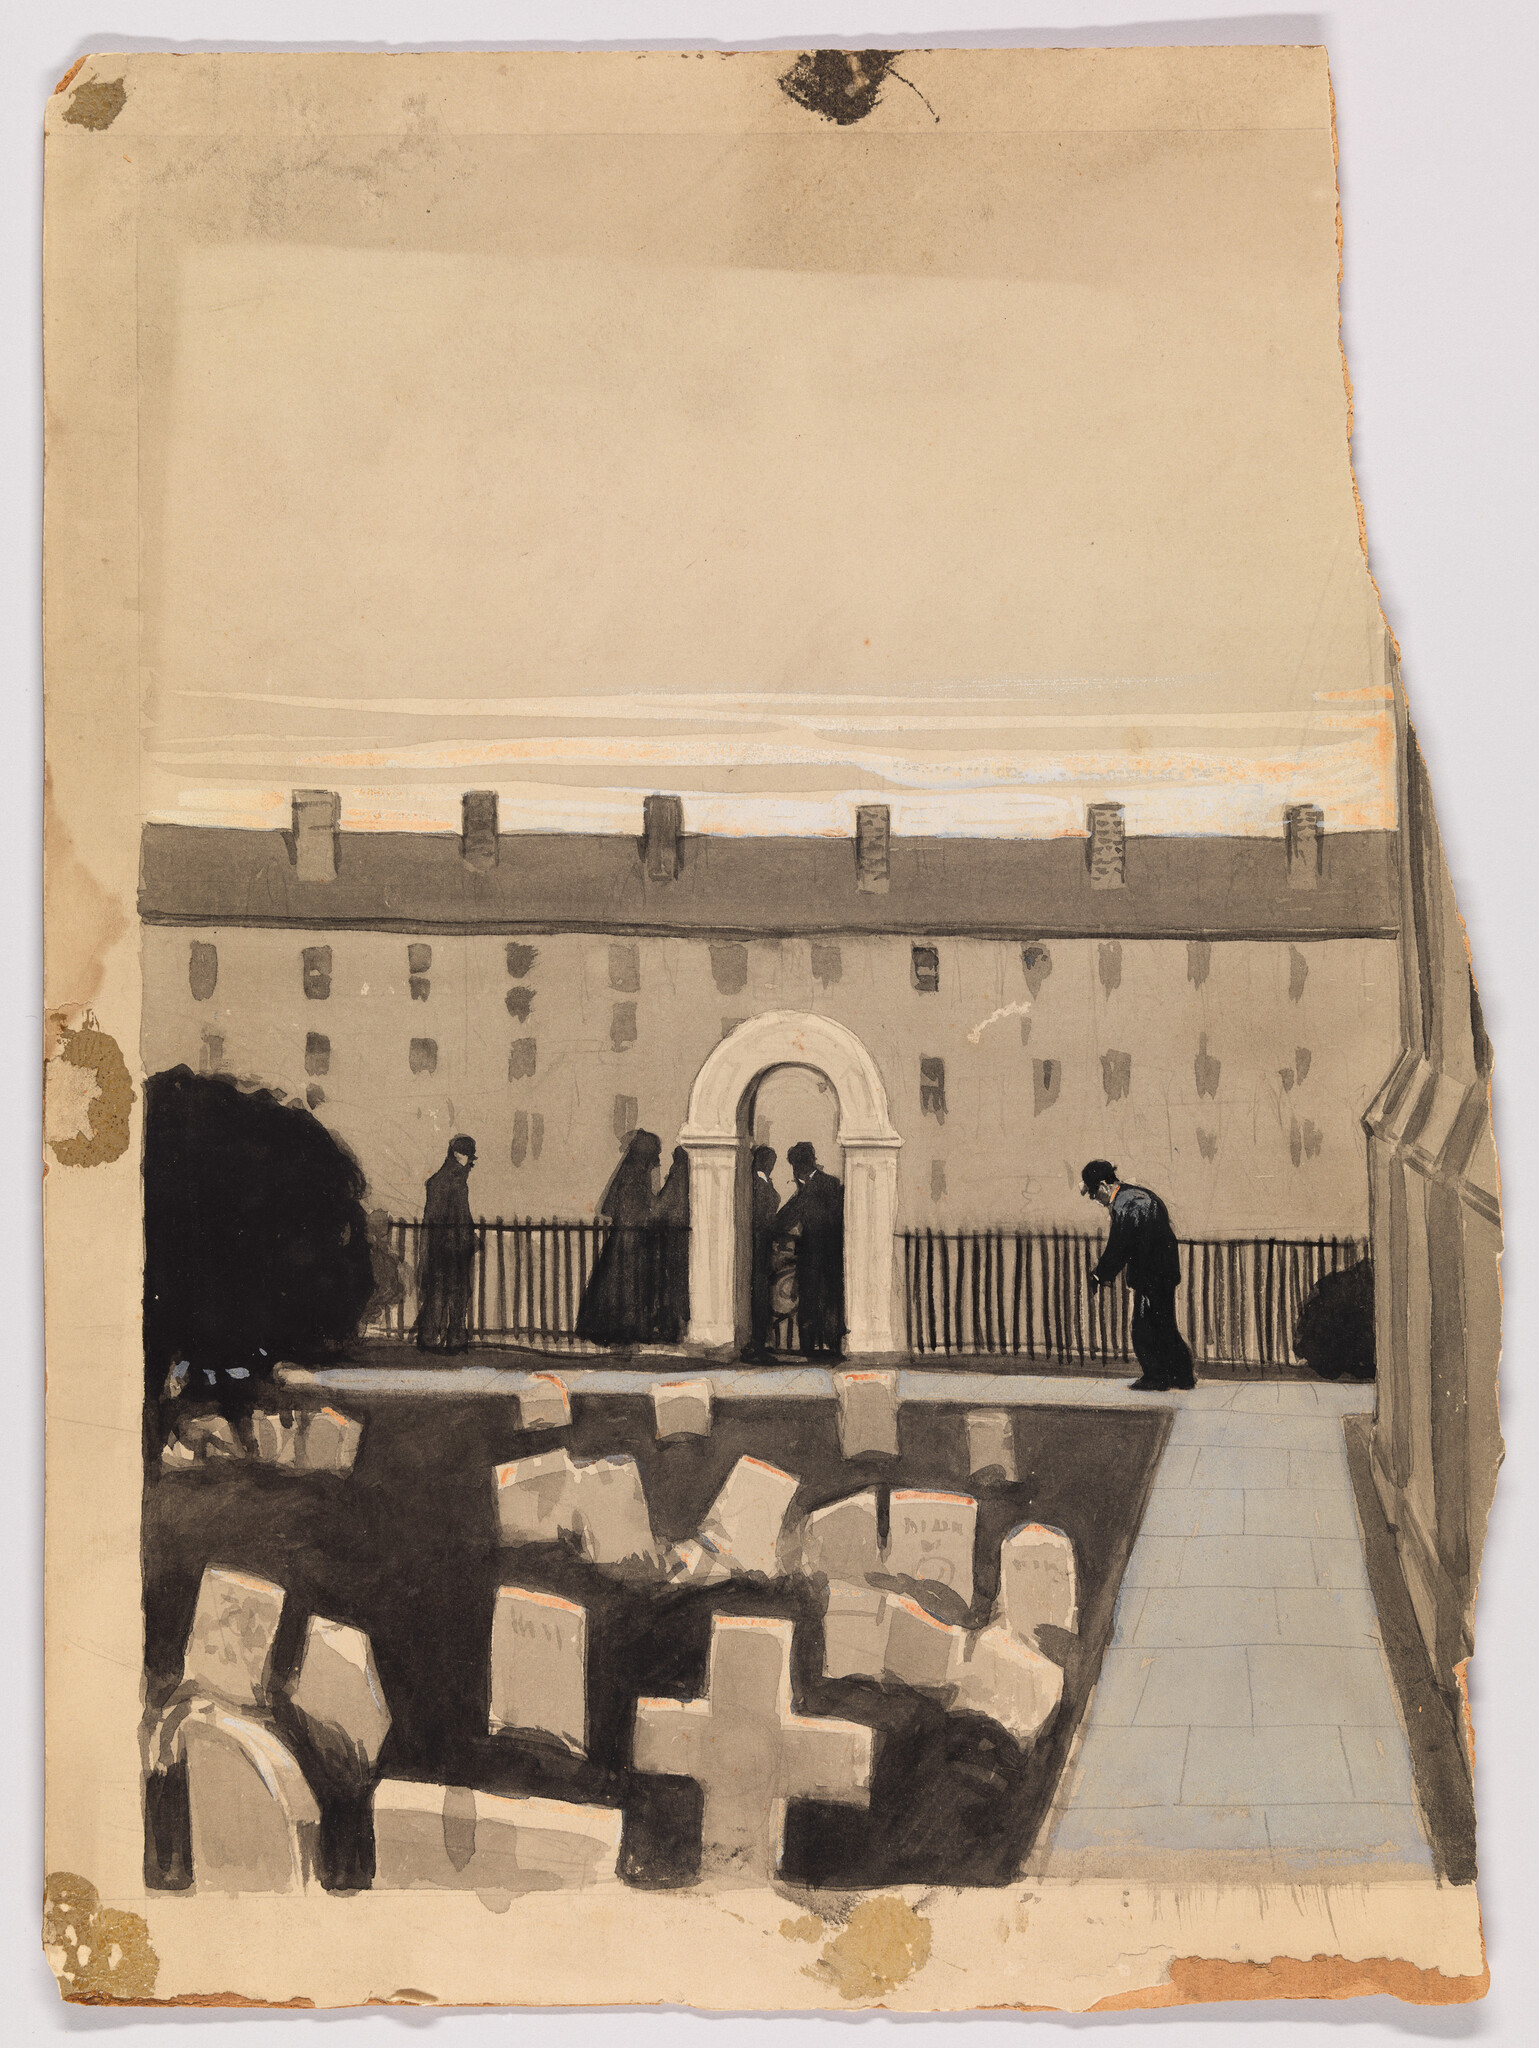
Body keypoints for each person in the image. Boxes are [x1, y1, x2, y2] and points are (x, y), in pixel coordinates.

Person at [1082, 1159, 1196, 1391]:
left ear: (1103, 1185)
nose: (1095, 1200)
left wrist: (1099, 1274)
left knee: (1144, 1326)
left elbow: (1119, 1245)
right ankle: (1181, 1376)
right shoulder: (1134, 1197)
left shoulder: (1128, 1203)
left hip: (1152, 1275)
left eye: (1093, 1193)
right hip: (1161, 1272)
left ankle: (1156, 1377)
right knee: (1164, 1325)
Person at [576, 1128, 663, 1346]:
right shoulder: (638, 1174)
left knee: (617, 1283)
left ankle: (618, 1329)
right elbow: (648, 1205)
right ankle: (627, 1329)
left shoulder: (629, 1170)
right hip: (634, 1238)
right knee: (629, 1284)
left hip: (623, 1237)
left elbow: (610, 1208)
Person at [774, 1141, 845, 1360]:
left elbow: (786, 1218)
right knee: (829, 1298)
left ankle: (810, 1347)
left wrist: (775, 1228)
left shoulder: (808, 1189)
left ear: (798, 1164)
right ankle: (832, 1345)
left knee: (811, 1298)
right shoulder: (831, 1183)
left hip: (814, 1254)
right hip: (832, 1255)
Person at [416, 1136, 477, 1353]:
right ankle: (455, 1338)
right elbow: (461, 1215)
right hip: (455, 1246)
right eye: (469, 1159)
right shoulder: (456, 1180)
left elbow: (432, 1217)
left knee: (437, 1291)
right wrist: (470, 1239)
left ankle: (430, 1336)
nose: (470, 1165)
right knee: (458, 1292)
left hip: (438, 1246)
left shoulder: (437, 1180)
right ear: (461, 1156)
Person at [741, 1144, 781, 1362]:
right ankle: (758, 1344)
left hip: (762, 1244)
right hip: (758, 1244)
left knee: (762, 1293)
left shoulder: (763, 1180)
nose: (771, 1165)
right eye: (769, 1161)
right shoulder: (756, 1181)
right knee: (758, 1294)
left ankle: (761, 1342)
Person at [650, 1144, 691, 1345]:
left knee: (671, 1283)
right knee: (681, 1283)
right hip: (684, 1236)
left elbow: (660, 1208)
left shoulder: (676, 1176)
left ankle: (671, 1329)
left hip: (673, 1236)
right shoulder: (692, 1177)